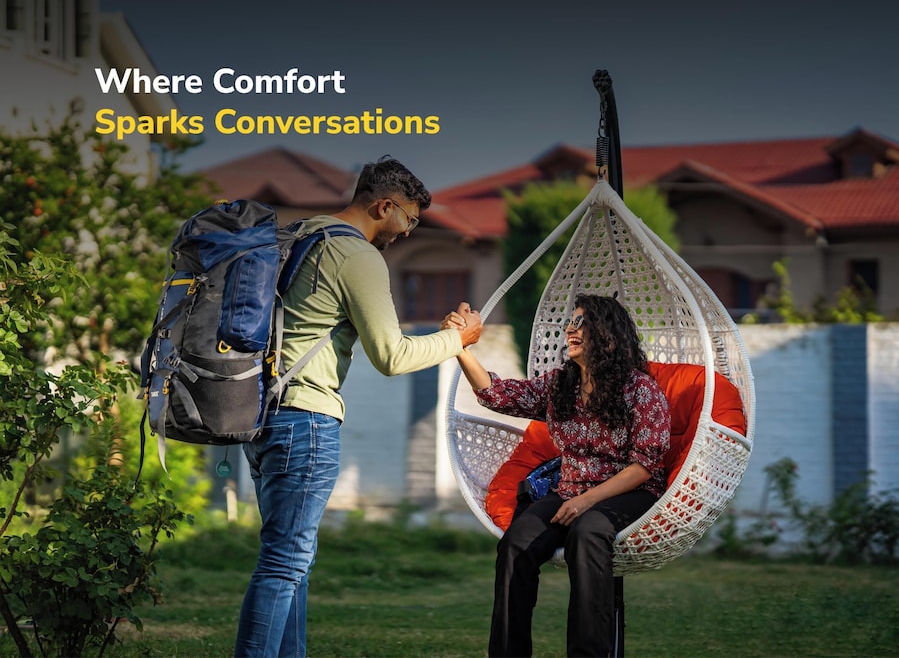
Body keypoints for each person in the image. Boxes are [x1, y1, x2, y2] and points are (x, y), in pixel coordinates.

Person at [234, 156, 483, 658]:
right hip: (305, 421)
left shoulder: (302, 236)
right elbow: (391, 356)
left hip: (261, 418)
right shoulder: (357, 256)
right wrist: (457, 340)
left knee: (291, 562)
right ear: (383, 205)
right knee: (285, 564)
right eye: (409, 219)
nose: (409, 232)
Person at [443, 293, 671, 657]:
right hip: (570, 490)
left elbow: (645, 466)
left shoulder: (640, 390)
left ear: (607, 334)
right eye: (571, 321)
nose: (570, 328)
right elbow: (496, 394)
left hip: (628, 494)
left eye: (581, 322)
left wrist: (586, 501)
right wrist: (458, 347)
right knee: (516, 544)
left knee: (588, 532)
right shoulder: (560, 386)